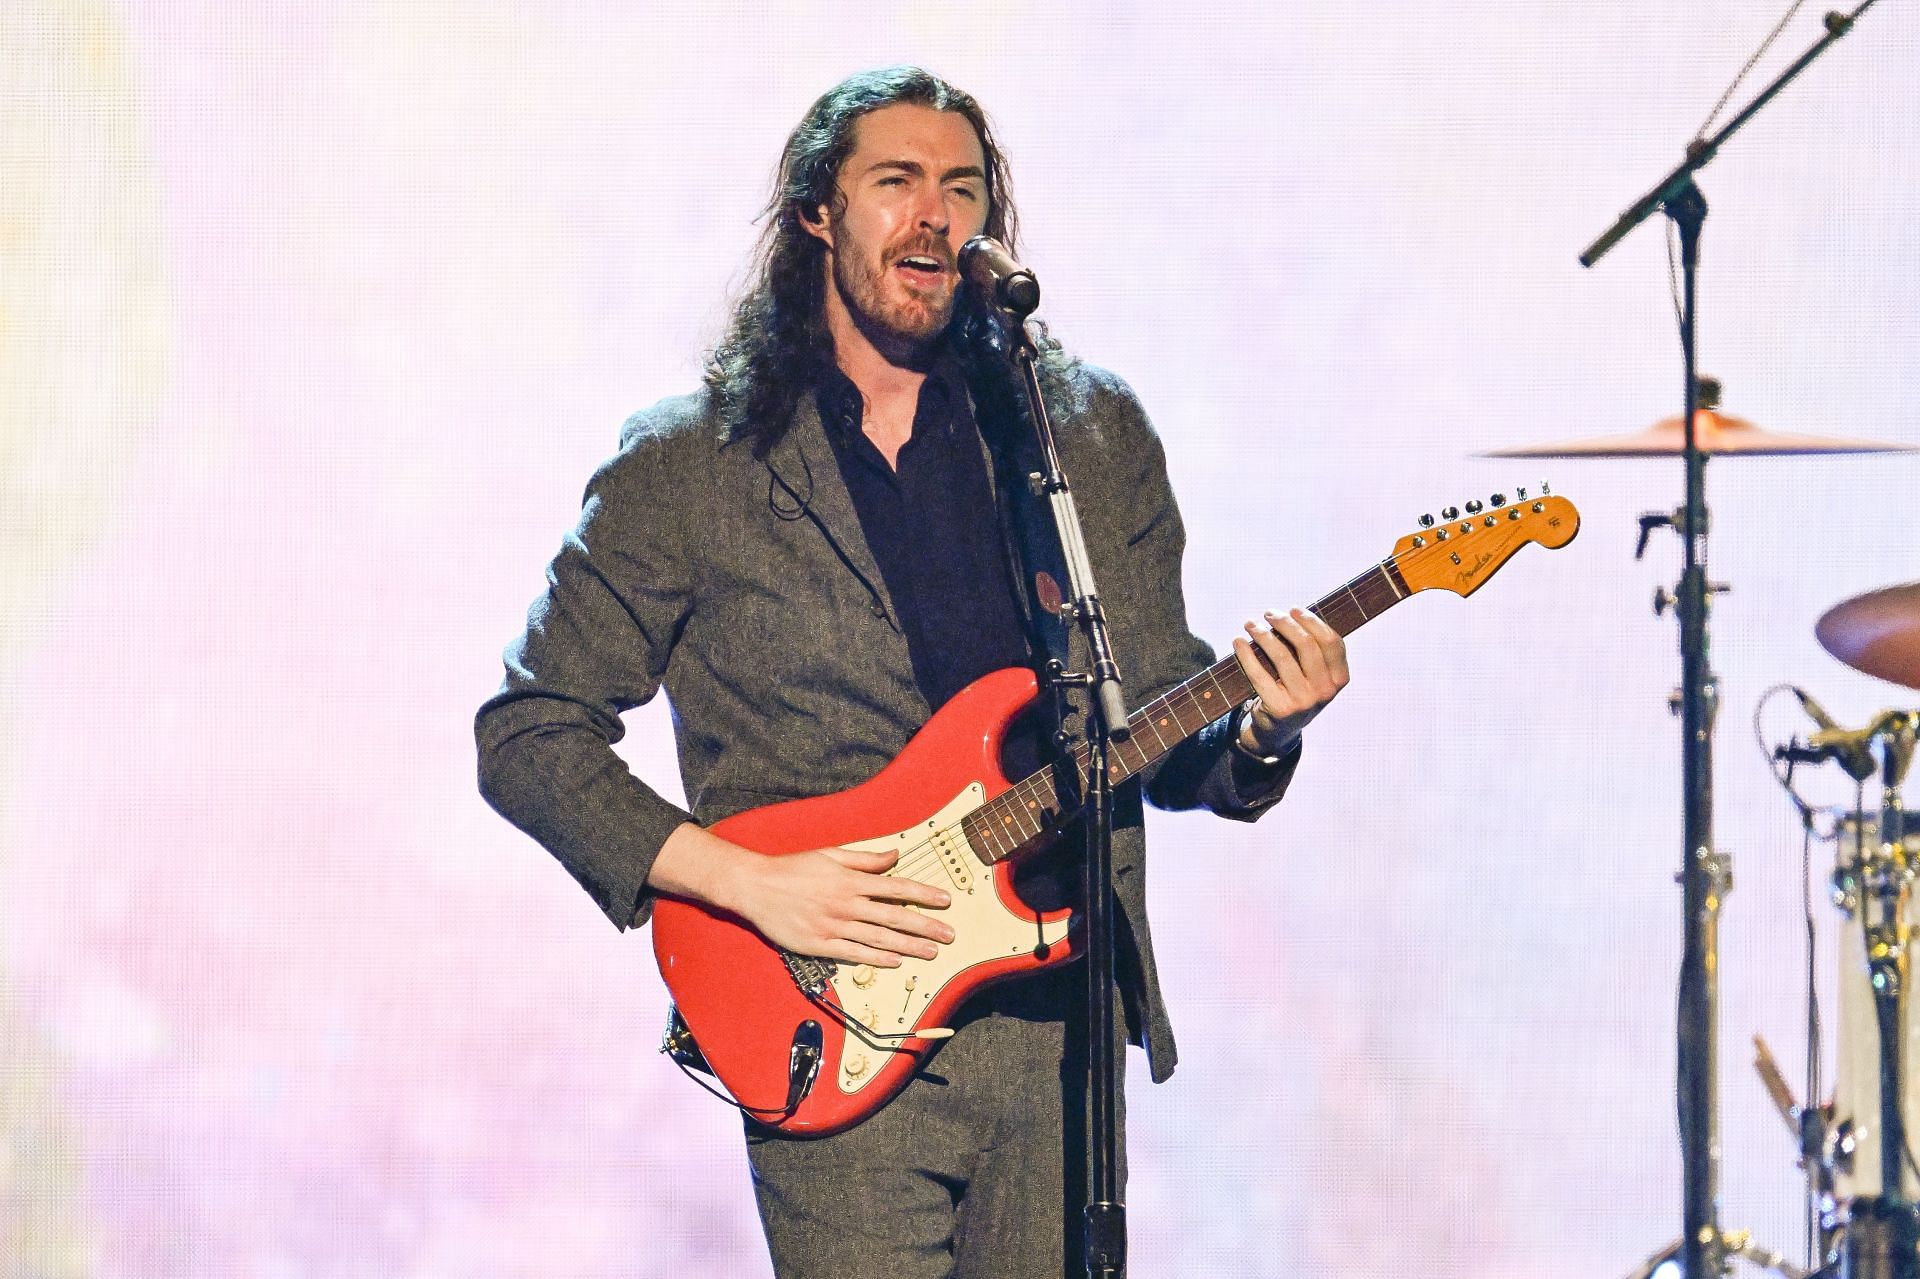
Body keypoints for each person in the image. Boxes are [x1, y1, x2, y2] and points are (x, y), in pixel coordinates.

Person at [475, 66, 1348, 1279]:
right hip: (828, 1015)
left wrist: (1260, 731)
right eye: (896, 182)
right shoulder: (692, 466)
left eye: (962, 188)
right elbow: (530, 735)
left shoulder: (1079, 435)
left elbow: (1157, 713)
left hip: (1058, 1025)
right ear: (818, 214)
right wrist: (747, 884)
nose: (934, 216)